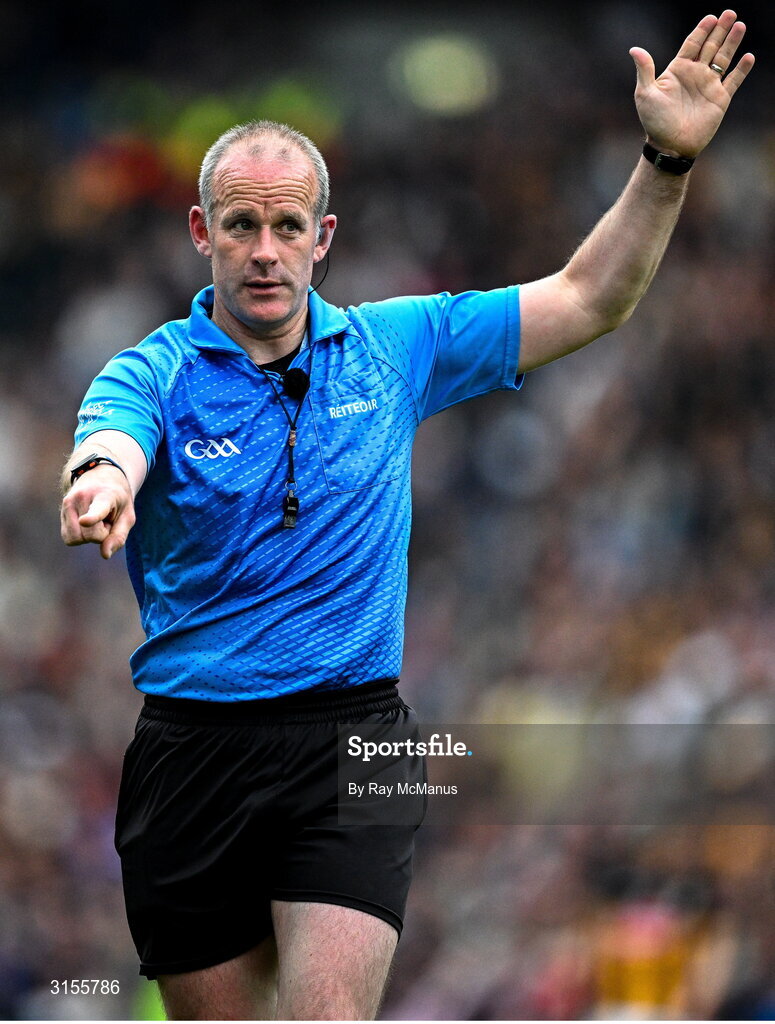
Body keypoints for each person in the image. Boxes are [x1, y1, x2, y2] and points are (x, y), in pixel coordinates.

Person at [60, 11, 753, 1020]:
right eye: (242, 225)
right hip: (190, 752)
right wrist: (105, 482)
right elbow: (111, 440)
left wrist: (664, 160)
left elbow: (589, 297)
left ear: (323, 238)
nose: (266, 251)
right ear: (202, 231)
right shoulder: (153, 371)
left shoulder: (395, 347)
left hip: (357, 734)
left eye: (289, 226)